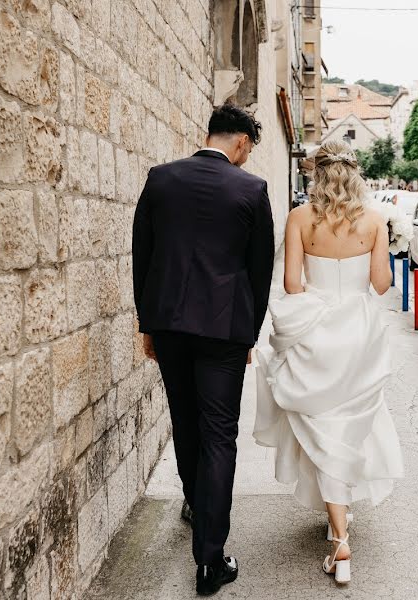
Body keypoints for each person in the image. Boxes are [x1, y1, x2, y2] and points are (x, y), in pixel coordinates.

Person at [132, 104, 275, 596]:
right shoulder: (251, 190)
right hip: (224, 330)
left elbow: (142, 257)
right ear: (240, 142)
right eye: (249, 150)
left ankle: (197, 503)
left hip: (169, 324)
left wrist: (147, 323)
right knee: (219, 434)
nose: (246, 159)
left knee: (185, 422)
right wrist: (249, 334)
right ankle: (210, 561)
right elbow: (260, 271)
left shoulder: (160, 178)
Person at [253, 140, 404, 585]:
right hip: (358, 333)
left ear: (316, 174)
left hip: (317, 331)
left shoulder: (300, 218)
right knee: (349, 422)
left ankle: (339, 539)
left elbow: (292, 284)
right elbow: (380, 285)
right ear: (355, 175)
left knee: (321, 422)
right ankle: (340, 526)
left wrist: (317, 308)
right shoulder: (374, 222)